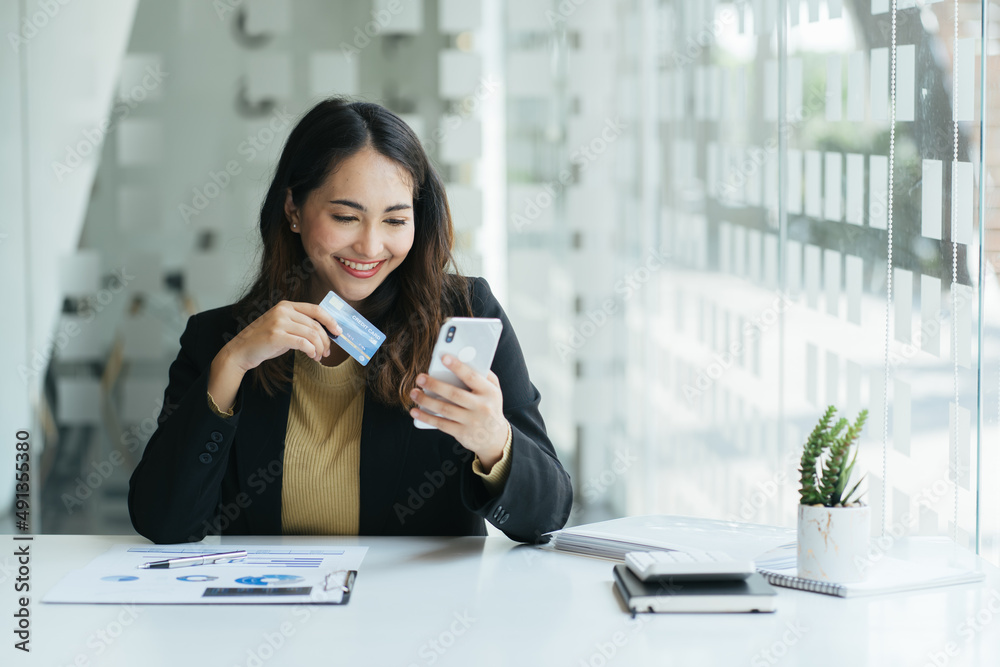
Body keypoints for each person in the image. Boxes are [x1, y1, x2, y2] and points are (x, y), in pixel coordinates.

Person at [128, 98, 573, 544]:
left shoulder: (462, 313)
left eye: (395, 220)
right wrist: (231, 365)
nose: (370, 245)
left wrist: (494, 440)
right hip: (266, 608)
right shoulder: (220, 340)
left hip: (416, 610)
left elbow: (545, 516)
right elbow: (164, 522)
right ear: (293, 210)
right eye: (346, 217)